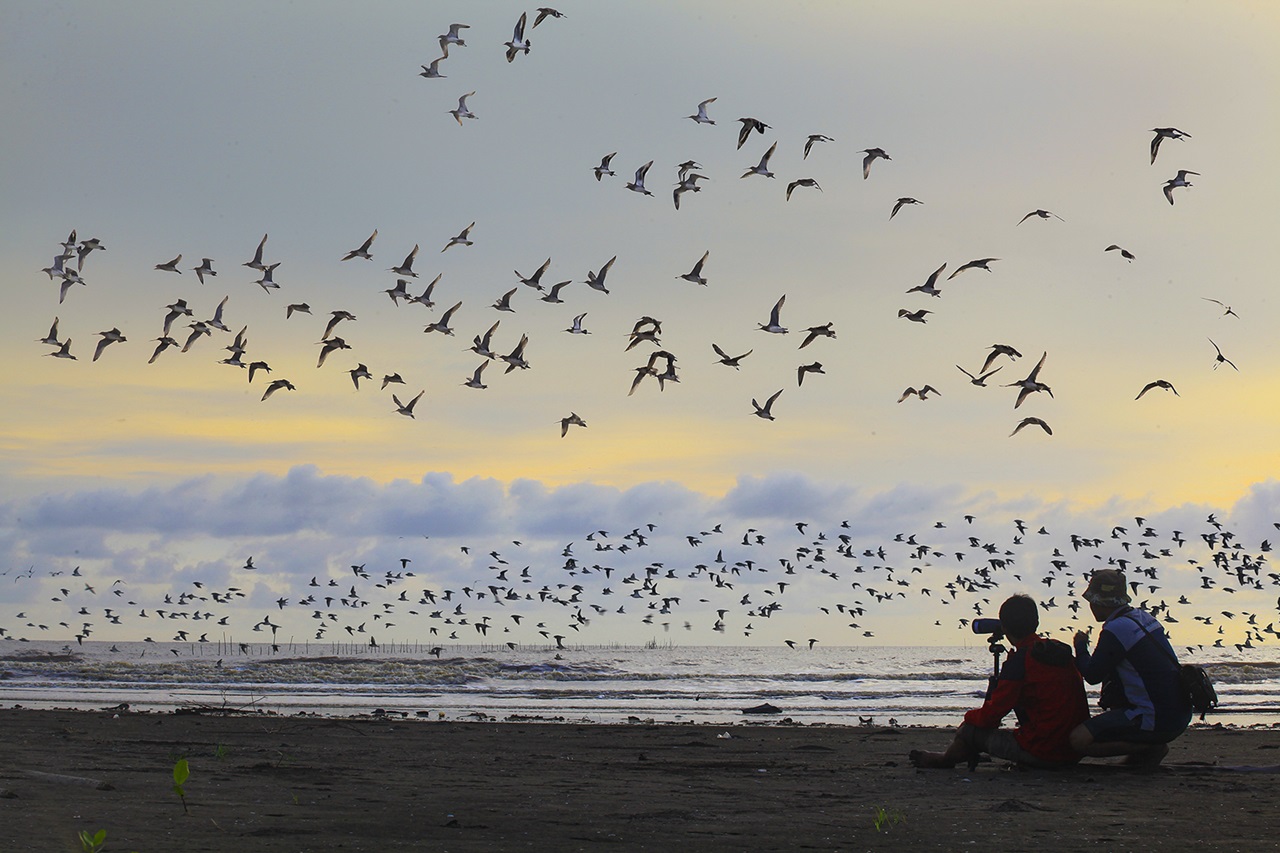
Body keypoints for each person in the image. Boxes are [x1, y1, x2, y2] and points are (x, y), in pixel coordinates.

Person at [910, 594, 1088, 770]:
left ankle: (944, 761)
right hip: (1074, 749)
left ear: (1005, 627)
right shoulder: (1057, 651)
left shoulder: (1021, 660)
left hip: (1043, 751)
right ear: (1036, 623)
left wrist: (968, 718)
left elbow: (991, 715)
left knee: (968, 731)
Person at [1069, 569, 1192, 766]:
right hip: (1179, 714)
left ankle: (1150, 747)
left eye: (1092, 601)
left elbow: (1092, 675)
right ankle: (1145, 750)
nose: (1090, 606)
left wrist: (1080, 647)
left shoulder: (1116, 629)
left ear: (1100, 602)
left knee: (1078, 739)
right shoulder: (1144, 618)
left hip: (1156, 719)